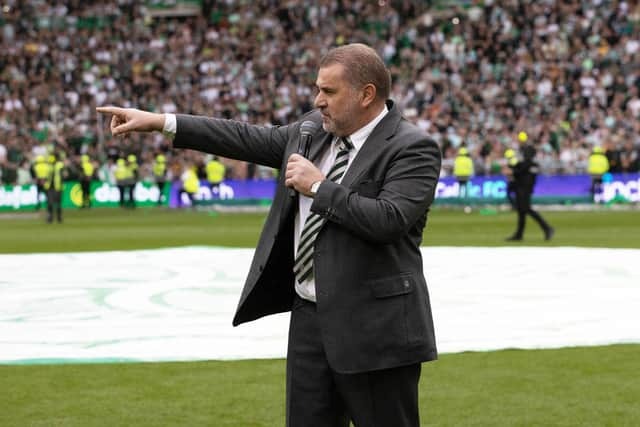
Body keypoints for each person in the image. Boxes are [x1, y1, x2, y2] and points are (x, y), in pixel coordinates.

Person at [97, 43, 441, 427]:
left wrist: (319, 187)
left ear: (367, 95)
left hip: (376, 329)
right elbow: (243, 137)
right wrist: (162, 121)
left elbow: (389, 220)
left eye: (329, 91)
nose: (318, 101)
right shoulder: (312, 131)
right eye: (317, 89)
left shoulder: (413, 147)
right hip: (310, 319)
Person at [506, 144, 554, 242]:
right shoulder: (533, 165)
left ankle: (547, 228)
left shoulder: (527, 164)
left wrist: (512, 166)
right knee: (522, 212)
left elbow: (517, 172)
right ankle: (519, 234)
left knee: (526, 210)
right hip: (525, 189)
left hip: (523, 189)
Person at [44, 153, 65, 224]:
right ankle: (50, 217)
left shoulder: (59, 165)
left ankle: (59, 217)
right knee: (50, 203)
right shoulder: (48, 166)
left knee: (58, 203)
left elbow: (64, 174)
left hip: (58, 186)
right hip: (49, 187)